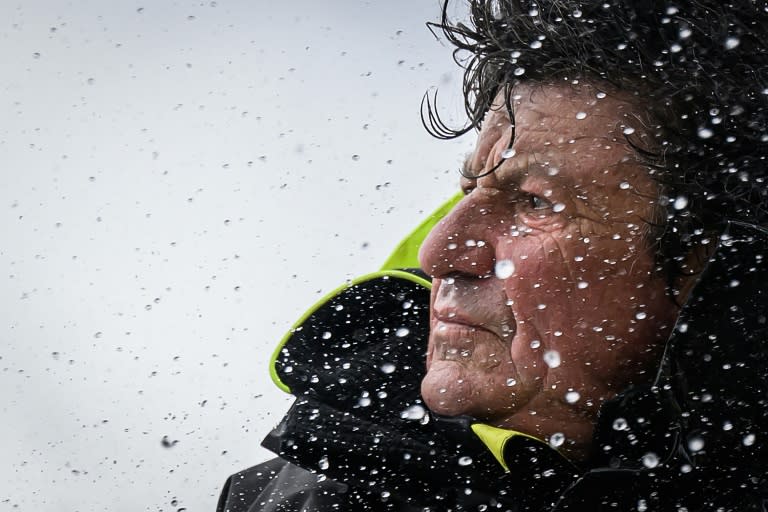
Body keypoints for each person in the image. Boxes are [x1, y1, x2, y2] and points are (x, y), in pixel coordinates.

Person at [218, 1, 768, 510]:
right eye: (466, 190)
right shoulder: (277, 500)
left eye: (535, 203)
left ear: (708, 269)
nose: (439, 252)